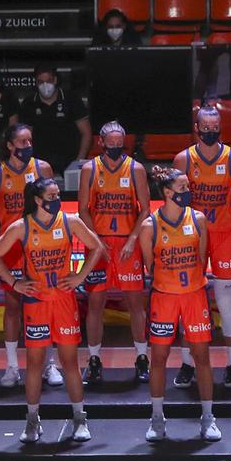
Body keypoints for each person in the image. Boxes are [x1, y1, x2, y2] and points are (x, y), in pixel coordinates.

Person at [0, 178, 107, 444]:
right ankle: (32, 421)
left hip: (64, 301)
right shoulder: (22, 227)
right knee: (34, 364)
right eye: (51, 196)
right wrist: (16, 283)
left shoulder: (71, 221)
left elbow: (96, 246)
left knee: (69, 363)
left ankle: (80, 418)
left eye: (58, 195)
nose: (57, 200)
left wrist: (79, 277)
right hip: (36, 303)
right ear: (38, 200)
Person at [135, 166, 220, 441]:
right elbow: (150, 265)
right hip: (164, 297)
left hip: (195, 295)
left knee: (202, 357)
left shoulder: (198, 219)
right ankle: (157, 418)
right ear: (168, 193)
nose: (188, 192)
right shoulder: (150, 226)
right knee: (158, 359)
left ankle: (208, 418)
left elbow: (202, 256)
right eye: (183, 188)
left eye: (188, 187)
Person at [174, 104, 231, 390]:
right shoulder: (183, 159)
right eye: (204, 127)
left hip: (225, 235)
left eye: (213, 127)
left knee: (227, 302)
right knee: (189, 300)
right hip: (192, 235)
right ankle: (187, 363)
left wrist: (227, 216)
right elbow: (177, 196)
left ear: (220, 127)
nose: (209, 132)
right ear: (196, 128)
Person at [79, 121, 151, 386]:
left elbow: (145, 209)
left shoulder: (135, 168)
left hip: (126, 245)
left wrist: (133, 238)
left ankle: (142, 358)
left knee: (135, 304)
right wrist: (95, 240)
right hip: (99, 245)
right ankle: (94, 361)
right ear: (101, 143)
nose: (115, 149)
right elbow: (83, 209)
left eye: (120, 145)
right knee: (95, 304)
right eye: (111, 145)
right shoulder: (90, 168)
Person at [0, 125, 53, 388]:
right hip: (10, 248)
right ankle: (12, 367)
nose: (27, 145)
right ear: (10, 145)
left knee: (44, 305)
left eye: (30, 140)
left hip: (39, 245)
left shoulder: (42, 168)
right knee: (12, 308)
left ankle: (49, 365)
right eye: (22, 141)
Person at [12, 67, 92, 174]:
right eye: (41, 82)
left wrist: (78, 162)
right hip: (40, 163)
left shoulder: (71, 99)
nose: (45, 85)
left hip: (69, 161)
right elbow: (25, 137)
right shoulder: (29, 103)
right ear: (36, 82)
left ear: (55, 80)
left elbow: (86, 133)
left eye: (48, 81)